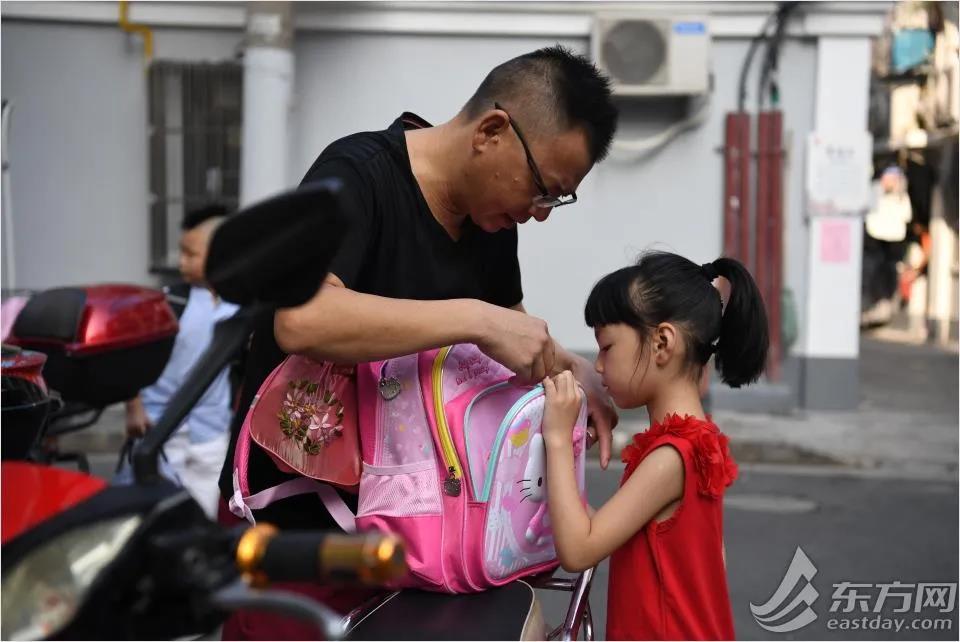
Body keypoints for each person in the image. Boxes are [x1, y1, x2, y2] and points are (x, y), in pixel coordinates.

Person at [217, 45, 619, 640]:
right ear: (491, 131)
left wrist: (570, 368)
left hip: (421, 540)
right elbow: (300, 318)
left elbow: (506, 338)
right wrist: (474, 319)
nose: (540, 215)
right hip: (301, 529)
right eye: (542, 190)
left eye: (556, 200)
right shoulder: (357, 175)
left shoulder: (490, 225)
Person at [541, 251, 769, 640]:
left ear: (662, 343)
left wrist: (558, 439)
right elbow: (605, 531)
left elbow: (579, 549)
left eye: (607, 347)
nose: (598, 365)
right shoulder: (697, 441)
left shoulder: (670, 457)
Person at [124, 204, 238, 519]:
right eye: (181, 252)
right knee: (156, 513)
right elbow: (132, 353)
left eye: (191, 254)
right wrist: (134, 406)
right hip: (161, 428)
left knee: (204, 515)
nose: (181, 261)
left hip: (212, 431)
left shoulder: (238, 304)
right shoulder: (168, 302)